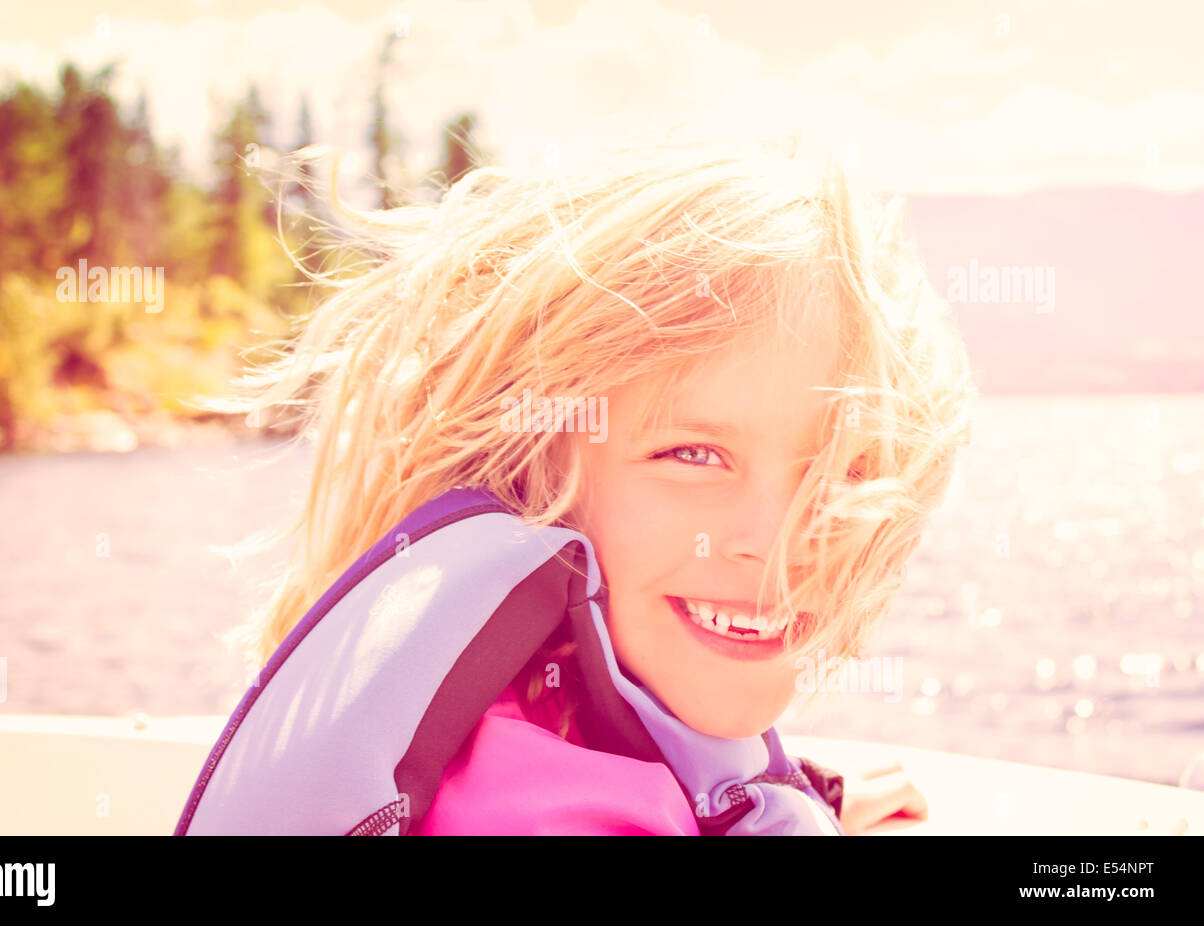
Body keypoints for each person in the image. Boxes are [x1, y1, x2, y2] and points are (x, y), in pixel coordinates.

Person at [216, 134, 975, 835]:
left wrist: (799, 798)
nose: (779, 542)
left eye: (841, 470)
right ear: (531, 467)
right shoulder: (529, 810)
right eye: (694, 455)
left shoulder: (560, 723)